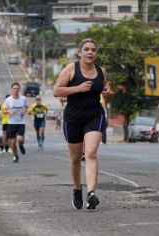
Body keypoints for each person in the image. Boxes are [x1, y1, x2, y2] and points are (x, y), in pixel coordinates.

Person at [53, 38, 113, 210]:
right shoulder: (71, 68)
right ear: (80, 52)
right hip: (73, 118)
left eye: (93, 50)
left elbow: (106, 91)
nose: (90, 52)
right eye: (86, 49)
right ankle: (77, 189)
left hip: (94, 115)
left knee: (91, 153)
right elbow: (57, 91)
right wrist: (77, 88)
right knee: (75, 159)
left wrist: (107, 92)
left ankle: (91, 194)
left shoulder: (101, 71)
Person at [4, 82, 28, 163]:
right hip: (11, 123)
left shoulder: (23, 99)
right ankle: (15, 155)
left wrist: (24, 112)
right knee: (13, 142)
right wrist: (9, 111)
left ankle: (21, 145)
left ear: (19, 89)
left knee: (20, 139)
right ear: (12, 89)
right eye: (14, 88)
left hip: (21, 123)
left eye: (17, 88)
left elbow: (26, 107)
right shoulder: (8, 100)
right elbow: (4, 110)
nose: (16, 90)